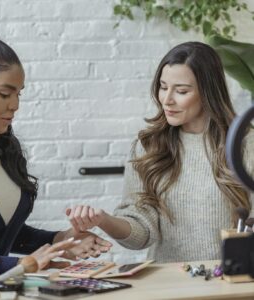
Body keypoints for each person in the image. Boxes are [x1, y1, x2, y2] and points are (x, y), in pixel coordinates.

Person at [66, 41, 254, 263]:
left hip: (232, 284)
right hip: (168, 284)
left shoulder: (245, 144)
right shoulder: (148, 146)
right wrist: (103, 220)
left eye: (181, 91)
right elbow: (141, 234)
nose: (167, 99)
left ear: (208, 92)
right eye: (163, 87)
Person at [0, 23, 112, 276]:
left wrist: (61, 240)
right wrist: (20, 266)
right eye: (5, 94)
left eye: (19, 94)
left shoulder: (5, 149)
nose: (15, 105)